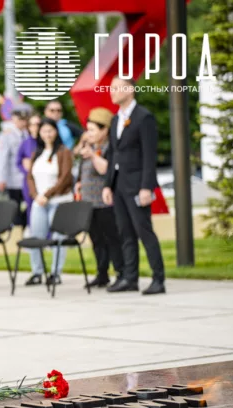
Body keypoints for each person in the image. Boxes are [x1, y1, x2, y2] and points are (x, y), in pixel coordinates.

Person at [103, 77, 166, 295]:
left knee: (144, 231)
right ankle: (130, 278)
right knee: (125, 232)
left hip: (138, 184)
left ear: (130, 90)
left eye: (116, 88)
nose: (112, 92)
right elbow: (112, 154)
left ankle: (158, 279)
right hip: (119, 185)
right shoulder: (115, 120)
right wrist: (107, 185)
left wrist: (146, 187)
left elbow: (149, 155)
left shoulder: (143, 117)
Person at [74, 108, 124, 288]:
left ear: (105, 130)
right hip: (88, 203)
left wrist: (93, 156)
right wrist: (79, 182)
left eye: (93, 130)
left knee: (112, 239)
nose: (89, 133)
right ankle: (102, 274)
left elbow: (106, 169)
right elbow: (80, 168)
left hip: (105, 203)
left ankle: (121, 272)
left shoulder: (109, 148)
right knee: (96, 240)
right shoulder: (89, 148)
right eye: (88, 129)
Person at [25, 118, 74, 286]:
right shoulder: (36, 153)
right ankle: (37, 272)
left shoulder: (63, 151)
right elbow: (30, 177)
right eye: (44, 130)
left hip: (58, 201)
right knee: (36, 237)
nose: (47, 134)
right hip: (39, 202)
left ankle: (55, 273)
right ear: (39, 133)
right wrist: (36, 195)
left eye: (50, 130)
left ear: (56, 132)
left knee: (58, 238)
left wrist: (47, 194)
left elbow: (64, 177)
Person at [0, 106, 31, 227]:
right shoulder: (6, 135)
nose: (23, 122)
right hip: (12, 179)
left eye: (25, 119)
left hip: (27, 179)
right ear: (13, 119)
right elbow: (2, 158)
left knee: (28, 207)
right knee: (14, 209)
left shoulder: (28, 134)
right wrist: (1, 178)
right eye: (20, 119)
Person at [18, 113, 41, 226]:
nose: (35, 127)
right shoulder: (25, 143)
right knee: (30, 208)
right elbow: (19, 162)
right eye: (32, 124)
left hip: (43, 180)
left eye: (37, 124)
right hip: (29, 181)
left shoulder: (45, 142)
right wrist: (26, 169)